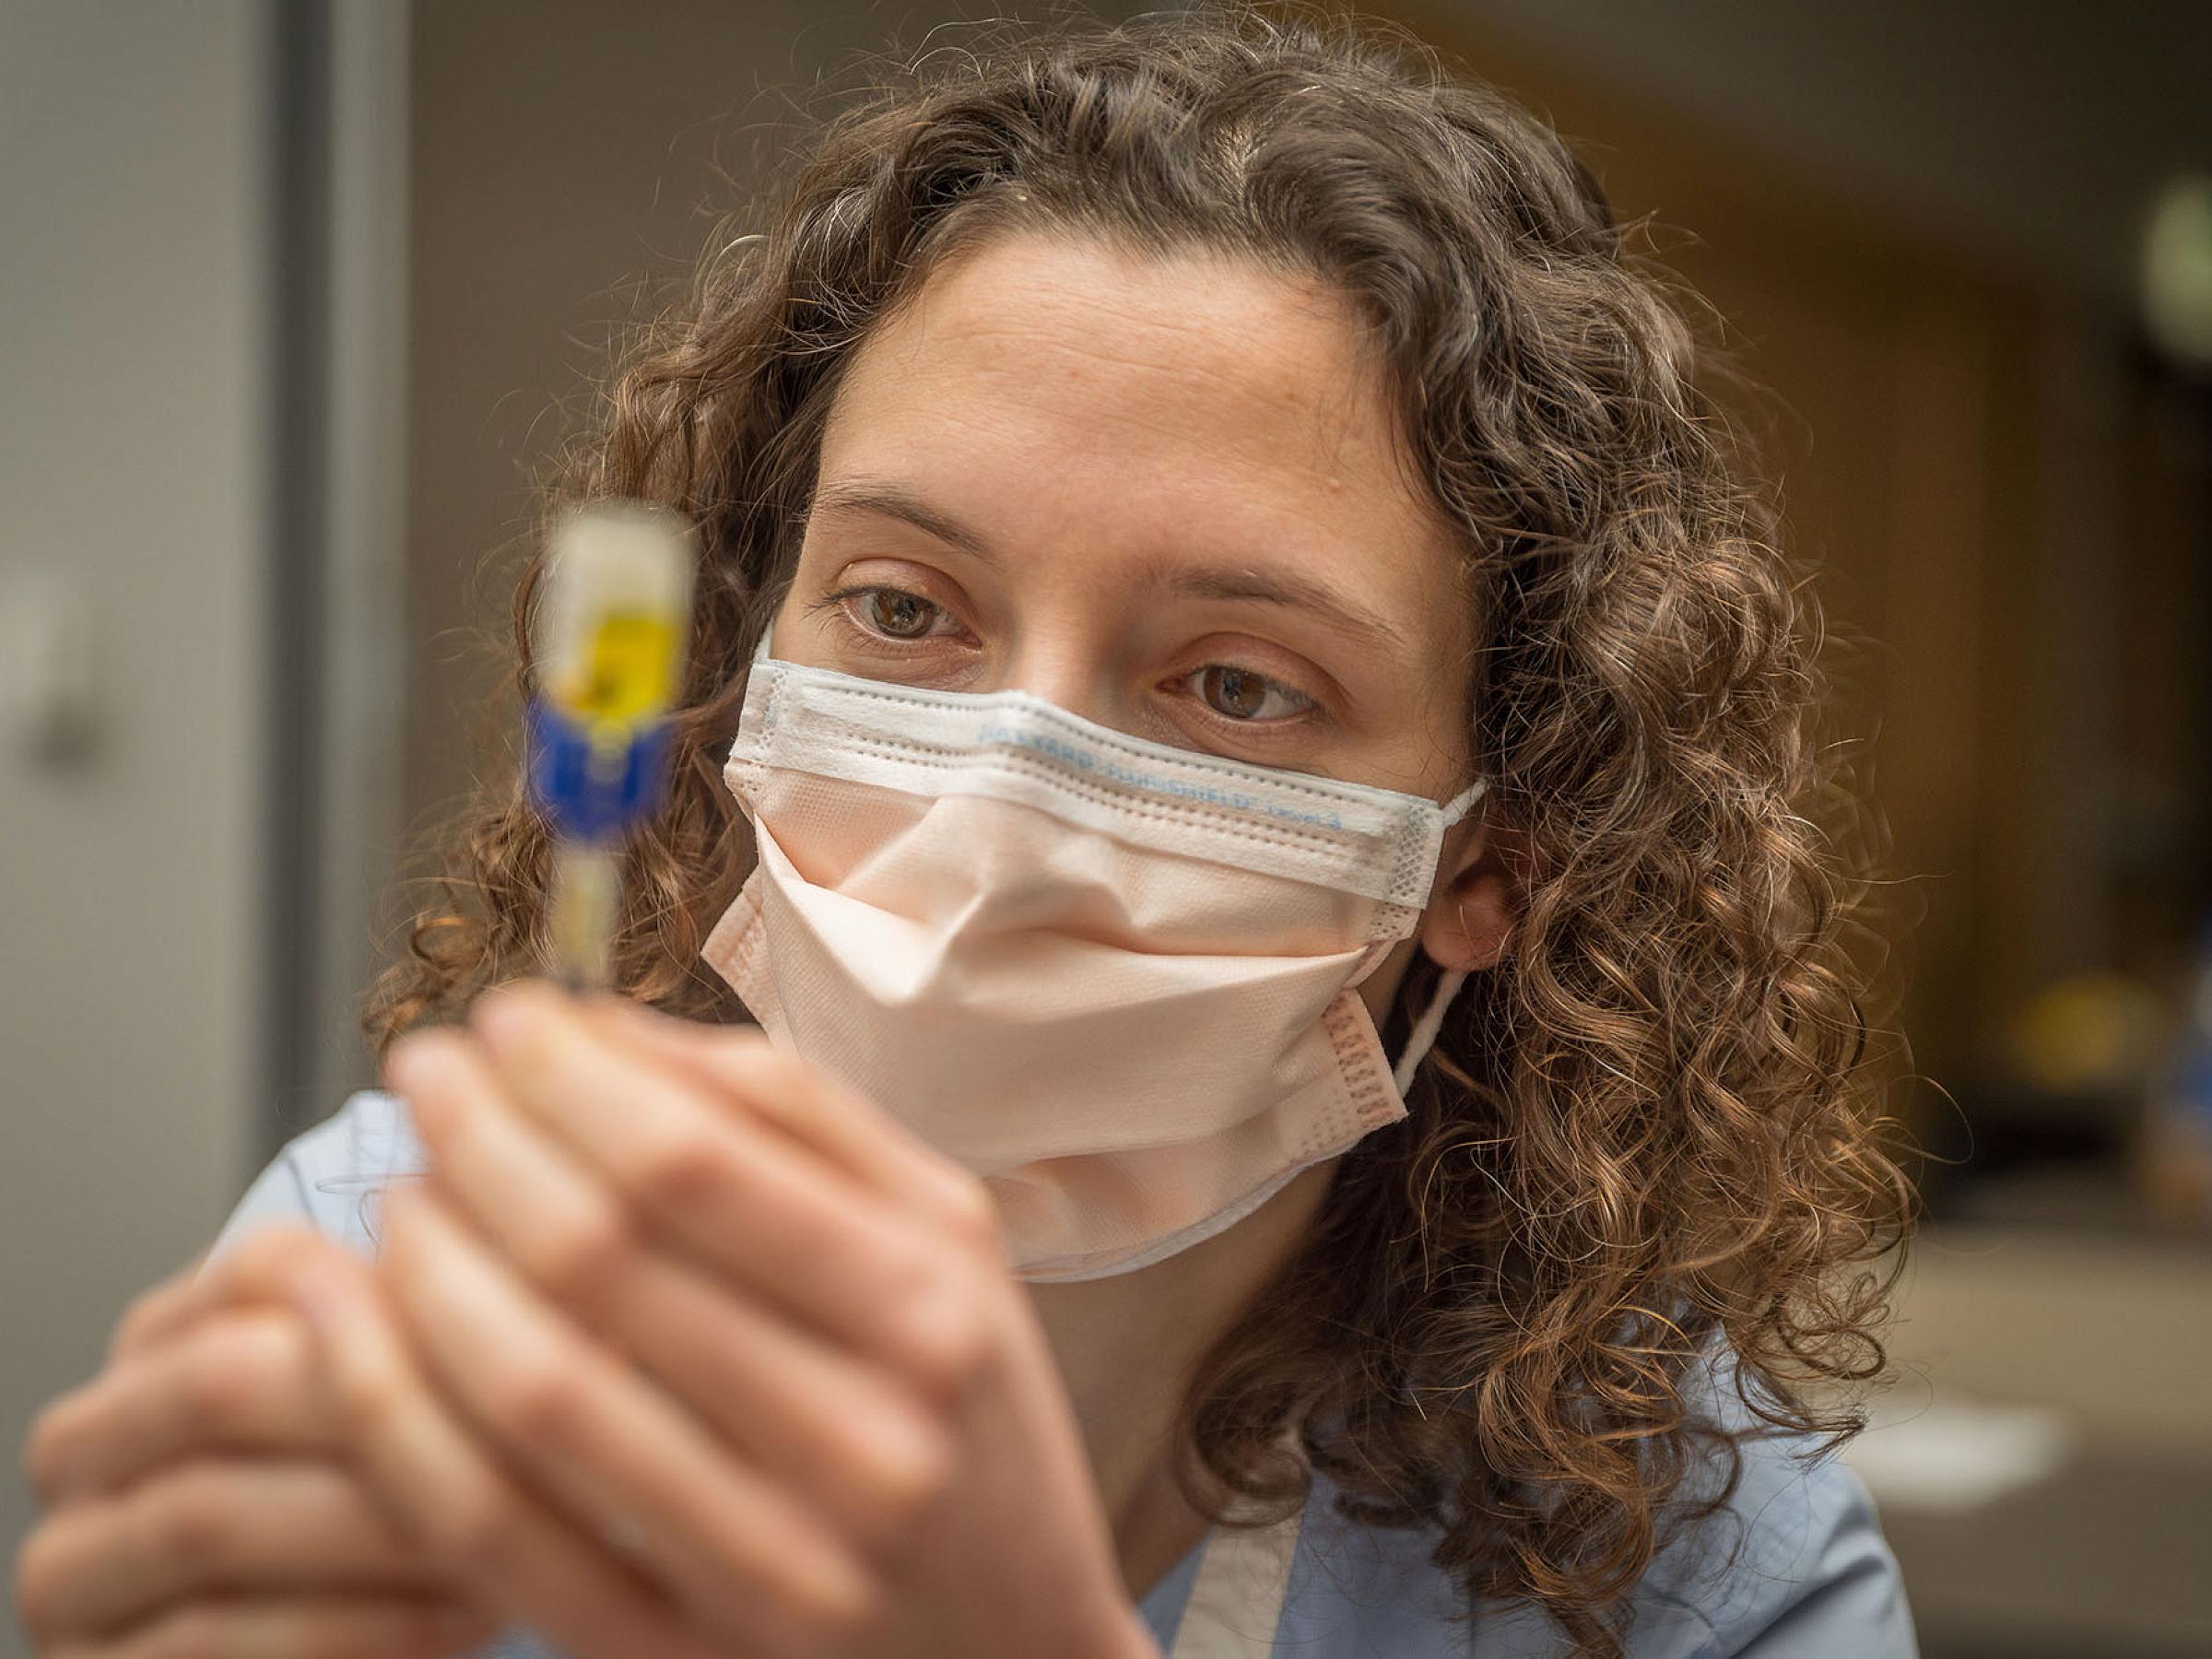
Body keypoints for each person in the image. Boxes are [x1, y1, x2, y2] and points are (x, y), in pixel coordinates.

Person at [13, 6, 1919, 1655]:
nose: (1004, 800)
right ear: (735, 656)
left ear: (1497, 853)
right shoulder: (386, 1284)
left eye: (1238, 682)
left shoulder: (1676, 1556)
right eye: (907, 609)